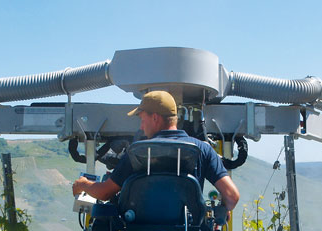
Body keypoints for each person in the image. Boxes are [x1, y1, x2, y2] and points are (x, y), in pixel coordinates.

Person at [71, 90, 240, 210]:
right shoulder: (203, 150)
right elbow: (232, 196)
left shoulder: (138, 151)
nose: (141, 126)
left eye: (142, 119)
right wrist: (223, 210)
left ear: (155, 118)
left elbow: (104, 193)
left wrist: (83, 184)